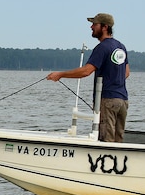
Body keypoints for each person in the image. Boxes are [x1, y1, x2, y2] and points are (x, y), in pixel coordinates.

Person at [47, 13, 130, 142]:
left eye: (95, 24)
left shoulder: (102, 47)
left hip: (107, 100)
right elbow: (126, 73)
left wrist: (60, 74)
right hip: (123, 101)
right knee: (118, 140)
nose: (91, 27)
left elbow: (86, 71)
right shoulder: (121, 47)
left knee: (106, 140)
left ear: (104, 27)